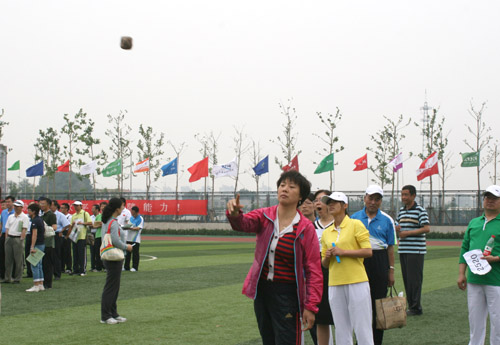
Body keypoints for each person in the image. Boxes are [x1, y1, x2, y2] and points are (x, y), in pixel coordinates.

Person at [226, 170, 323, 345]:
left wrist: (311, 306)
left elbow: (313, 270)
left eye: (291, 186)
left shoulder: (305, 228)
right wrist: (234, 215)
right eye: (282, 185)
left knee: (287, 340)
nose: (285, 189)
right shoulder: (264, 216)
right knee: (268, 339)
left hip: (288, 295)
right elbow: (244, 223)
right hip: (262, 292)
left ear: (301, 196)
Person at [321, 192, 373, 345]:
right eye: (329, 202)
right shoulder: (326, 232)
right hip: (335, 283)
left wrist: (344, 252)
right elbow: (324, 264)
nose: (330, 204)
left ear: (345, 206)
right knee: (341, 327)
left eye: (335, 202)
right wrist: (328, 256)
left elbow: (368, 251)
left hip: (356, 281)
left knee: (362, 326)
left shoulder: (355, 224)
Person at [351, 185, 396, 345]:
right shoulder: (354, 218)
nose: (373, 202)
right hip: (359, 261)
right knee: (359, 305)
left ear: (380, 202)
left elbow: (390, 247)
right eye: (370, 198)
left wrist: (391, 271)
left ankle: (376, 341)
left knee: (378, 306)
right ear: (364, 198)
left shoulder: (387, 220)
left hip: (380, 260)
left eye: (377, 199)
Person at [458, 185, 500, 344]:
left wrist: (495, 259)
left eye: (494, 198)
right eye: (487, 197)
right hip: (474, 280)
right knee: (475, 322)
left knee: (498, 323)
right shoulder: (474, 222)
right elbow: (464, 248)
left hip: (496, 280)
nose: (490, 201)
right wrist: (462, 273)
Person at [396, 185, 430, 316]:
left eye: (406, 195)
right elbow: (399, 226)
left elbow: (426, 228)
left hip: (416, 250)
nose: (404, 197)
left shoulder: (420, 210)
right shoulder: (401, 210)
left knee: (414, 279)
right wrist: (397, 228)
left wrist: (408, 233)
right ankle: (411, 305)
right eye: (402, 194)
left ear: (413, 196)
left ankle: (416, 307)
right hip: (403, 249)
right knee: (407, 279)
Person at [100, 197, 133, 325]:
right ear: (117, 208)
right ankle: (106, 316)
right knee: (111, 287)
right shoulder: (113, 222)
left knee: (114, 287)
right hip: (113, 256)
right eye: (121, 206)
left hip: (111, 256)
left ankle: (113, 313)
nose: (122, 209)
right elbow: (115, 240)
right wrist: (127, 247)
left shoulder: (108, 220)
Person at [312, 189, 335, 345]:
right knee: (322, 318)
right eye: (316, 200)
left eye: (322, 199)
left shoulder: (341, 224)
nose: (318, 202)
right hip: (317, 274)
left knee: (341, 315)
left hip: (338, 272)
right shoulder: (311, 227)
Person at [3, 200, 29, 284]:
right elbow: (7, 228)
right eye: (15, 206)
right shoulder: (10, 216)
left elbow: (24, 229)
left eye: (17, 206)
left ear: (21, 207)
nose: (15, 207)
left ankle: (17, 278)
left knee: (18, 260)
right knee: (8, 259)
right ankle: (7, 278)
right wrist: (7, 238)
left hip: (18, 238)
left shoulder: (24, 217)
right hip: (9, 238)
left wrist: (21, 239)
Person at [68, 201, 92, 276]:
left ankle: (82, 270)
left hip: (82, 236)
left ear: (81, 206)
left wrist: (83, 223)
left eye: (77, 206)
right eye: (74, 206)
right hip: (75, 236)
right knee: (75, 254)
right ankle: (75, 269)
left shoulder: (85, 213)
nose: (75, 207)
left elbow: (90, 223)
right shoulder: (74, 215)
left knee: (82, 254)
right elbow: (71, 225)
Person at [26, 203, 45, 292]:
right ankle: (41, 284)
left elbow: (34, 234)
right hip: (42, 244)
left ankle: (36, 285)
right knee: (39, 265)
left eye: (29, 210)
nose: (28, 212)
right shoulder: (40, 219)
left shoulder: (35, 221)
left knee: (34, 264)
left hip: (37, 244)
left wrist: (32, 246)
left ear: (33, 211)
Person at [39, 197, 57, 289]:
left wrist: (45, 227)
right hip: (41, 242)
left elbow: (54, 227)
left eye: (43, 203)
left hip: (49, 243)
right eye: (40, 203)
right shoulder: (41, 216)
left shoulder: (51, 215)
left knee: (48, 263)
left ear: (49, 205)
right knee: (42, 263)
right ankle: (42, 281)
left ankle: (48, 283)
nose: (41, 205)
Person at [51, 200, 70, 280]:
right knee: (49, 255)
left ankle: (57, 274)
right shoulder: (46, 214)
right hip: (48, 235)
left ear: (55, 206)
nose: (50, 206)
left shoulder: (60, 215)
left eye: (51, 205)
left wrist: (61, 231)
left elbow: (67, 225)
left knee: (56, 255)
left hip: (56, 235)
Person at [124, 206, 143, 272]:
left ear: (136, 212)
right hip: (128, 238)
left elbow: (138, 228)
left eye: (133, 212)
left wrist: (131, 228)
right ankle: (126, 267)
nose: (131, 213)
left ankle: (135, 267)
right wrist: (125, 227)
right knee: (127, 254)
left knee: (135, 253)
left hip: (135, 239)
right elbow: (128, 225)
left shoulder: (140, 218)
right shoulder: (131, 218)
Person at [0, 196, 15, 281]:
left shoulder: (15, 213)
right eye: (6, 202)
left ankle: (12, 275)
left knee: (11, 256)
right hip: (3, 235)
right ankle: (3, 275)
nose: (7, 203)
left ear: (13, 202)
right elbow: (2, 223)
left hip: (12, 235)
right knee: (2, 255)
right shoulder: (3, 212)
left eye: (9, 202)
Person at [90, 204, 103, 272]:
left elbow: (98, 224)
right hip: (93, 234)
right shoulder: (91, 217)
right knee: (93, 251)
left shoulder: (99, 216)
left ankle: (99, 267)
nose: (92, 210)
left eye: (93, 208)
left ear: (97, 209)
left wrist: (94, 226)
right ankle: (93, 266)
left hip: (98, 234)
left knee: (98, 251)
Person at [60, 202, 73, 273]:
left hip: (67, 233)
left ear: (67, 209)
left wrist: (67, 236)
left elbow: (69, 226)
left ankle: (69, 267)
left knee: (67, 251)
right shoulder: (60, 216)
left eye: (63, 208)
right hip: (61, 234)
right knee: (61, 251)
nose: (61, 209)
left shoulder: (69, 217)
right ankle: (61, 267)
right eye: (61, 208)